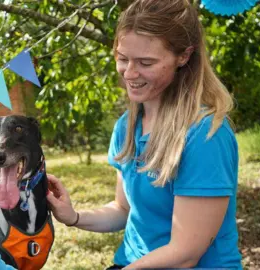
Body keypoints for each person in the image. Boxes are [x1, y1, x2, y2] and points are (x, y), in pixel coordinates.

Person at [46, 0, 242, 269]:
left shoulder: (205, 135)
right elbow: (123, 210)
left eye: (145, 62)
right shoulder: (126, 126)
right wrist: (75, 216)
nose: (129, 73)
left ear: (183, 56)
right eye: (123, 59)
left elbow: (185, 254)